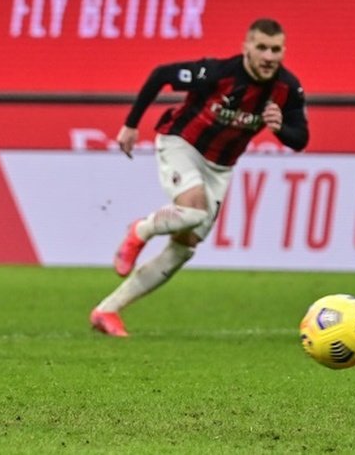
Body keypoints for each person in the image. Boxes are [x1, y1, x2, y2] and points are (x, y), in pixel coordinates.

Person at [90, 18, 309, 337]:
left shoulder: (287, 89)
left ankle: (107, 310)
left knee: (184, 247)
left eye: (275, 49)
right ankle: (141, 229)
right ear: (246, 47)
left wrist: (280, 129)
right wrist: (131, 124)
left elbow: (300, 139)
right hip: (182, 143)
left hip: (220, 167)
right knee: (194, 210)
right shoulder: (217, 73)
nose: (268, 56)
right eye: (261, 47)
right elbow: (161, 75)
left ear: (283, 51)